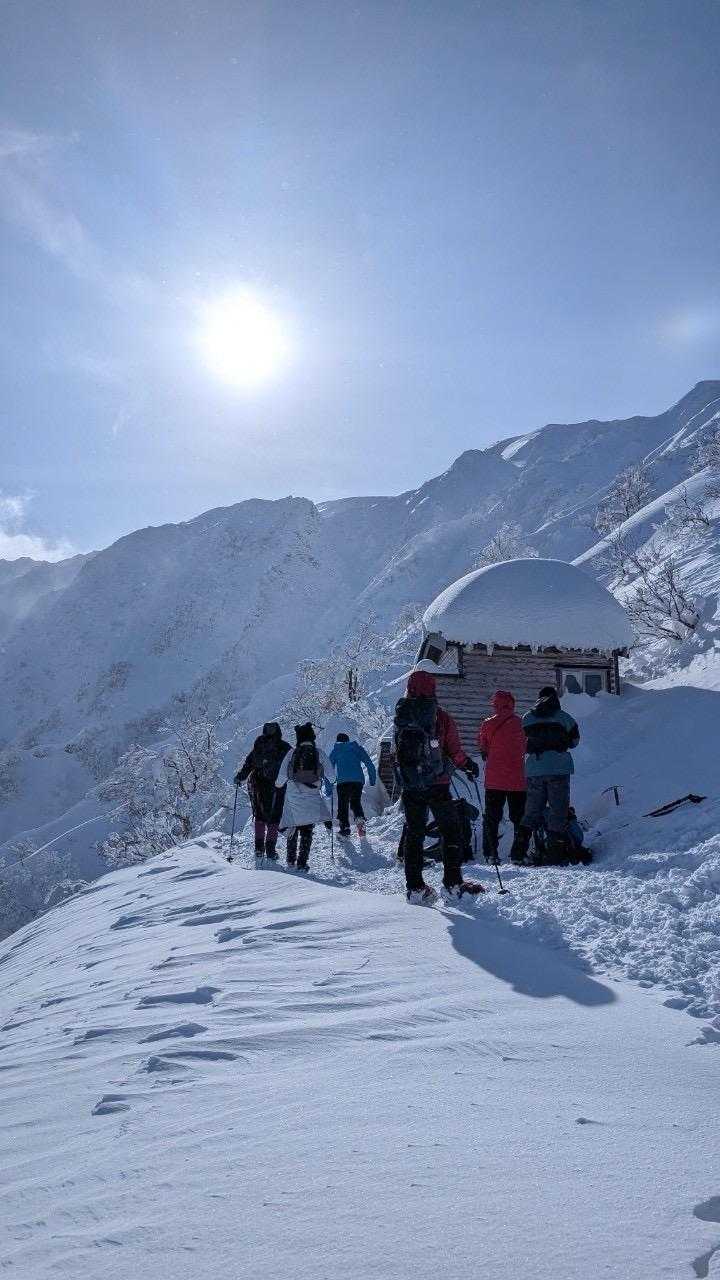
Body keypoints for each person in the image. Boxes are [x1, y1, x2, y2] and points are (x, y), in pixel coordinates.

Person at [393, 661, 483, 903]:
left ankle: (415, 888)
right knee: (450, 831)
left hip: (411, 785)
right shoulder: (440, 717)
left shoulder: (401, 716)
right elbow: (455, 751)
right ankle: (453, 885)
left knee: (414, 833)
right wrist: (468, 765)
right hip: (437, 783)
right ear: (433, 689)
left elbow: (396, 751)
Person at [511, 685, 580, 865]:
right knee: (558, 811)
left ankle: (518, 853)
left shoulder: (527, 718)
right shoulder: (564, 718)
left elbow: (520, 743)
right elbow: (575, 741)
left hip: (535, 769)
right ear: (555, 699)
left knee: (531, 811)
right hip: (559, 768)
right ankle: (554, 854)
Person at [275, 723, 335, 871]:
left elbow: (281, 778)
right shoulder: (319, 753)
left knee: (293, 826)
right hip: (312, 795)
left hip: (293, 795)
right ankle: (302, 863)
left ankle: (290, 860)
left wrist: (278, 785)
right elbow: (332, 776)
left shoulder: (292, 753)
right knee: (307, 828)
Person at [477, 690, 526, 864]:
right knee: (519, 818)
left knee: (492, 818)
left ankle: (490, 854)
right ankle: (518, 854)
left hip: (494, 780)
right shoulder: (521, 724)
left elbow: (483, 748)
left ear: (495, 705)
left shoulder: (487, 724)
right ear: (512, 704)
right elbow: (525, 746)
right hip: (517, 779)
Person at [234, 722, 291, 859]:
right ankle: (270, 850)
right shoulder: (284, 747)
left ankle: (259, 849)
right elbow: (293, 763)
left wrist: (240, 777)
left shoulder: (259, 745)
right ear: (278, 731)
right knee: (274, 817)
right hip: (277, 786)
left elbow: (249, 764)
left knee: (260, 816)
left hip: (259, 785)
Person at [329, 732, 377, 837]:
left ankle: (345, 828)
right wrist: (372, 780)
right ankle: (360, 821)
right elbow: (369, 763)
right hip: (357, 782)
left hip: (343, 782)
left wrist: (328, 788)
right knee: (355, 802)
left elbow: (329, 770)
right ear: (348, 740)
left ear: (337, 741)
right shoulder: (356, 748)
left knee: (343, 804)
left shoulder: (335, 751)